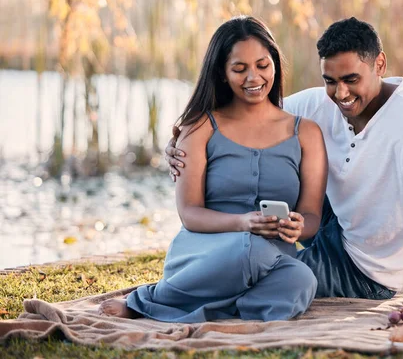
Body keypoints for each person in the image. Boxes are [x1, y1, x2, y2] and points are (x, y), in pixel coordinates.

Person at [166, 17, 403, 312]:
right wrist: (180, 141)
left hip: (363, 267)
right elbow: (253, 117)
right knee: (258, 238)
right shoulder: (321, 103)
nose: (341, 94)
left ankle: (167, 296)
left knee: (271, 275)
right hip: (332, 225)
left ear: (379, 64)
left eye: (351, 79)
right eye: (330, 81)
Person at [99, 16, 327, 322]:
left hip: (272, 259)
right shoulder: (201, 127)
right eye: (239, 69)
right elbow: (189, 213)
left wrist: (299, 227)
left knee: (302, 280)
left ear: (275, 63)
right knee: (249, 249)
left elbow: (312, 215)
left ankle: (220, 308)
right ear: (221, 73)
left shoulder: (307, 133)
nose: (253, 77)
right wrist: (243, 222)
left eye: (262, 65)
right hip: (205, 254)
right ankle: (149, 298)